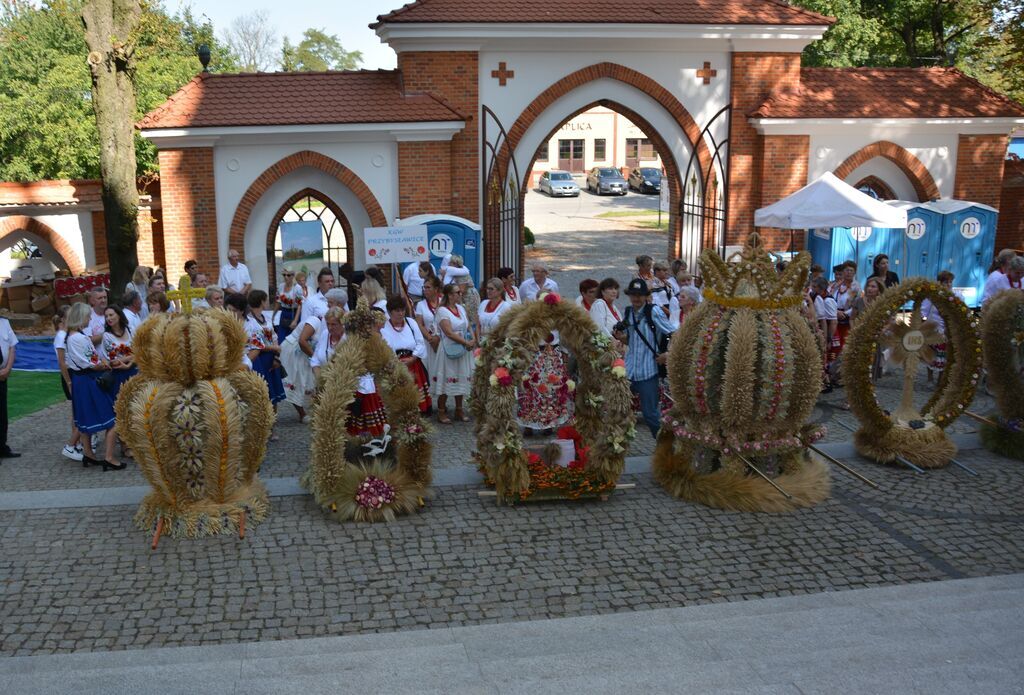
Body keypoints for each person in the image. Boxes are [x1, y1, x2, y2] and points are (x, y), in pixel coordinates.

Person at [612, 278, 675, 438]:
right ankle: (615, 447)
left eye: (640, 295)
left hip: (648, 372)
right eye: (633, 294)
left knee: (650, 415)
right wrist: (621, 338)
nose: (636, 298)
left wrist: (668, 354)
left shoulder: (654, 311)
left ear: (646, 296)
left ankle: (665, 448)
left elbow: (674, 333)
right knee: (618, 411)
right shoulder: (628, 312)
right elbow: (632, 340)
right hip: (630, 370)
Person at [64, 303, 122, 470]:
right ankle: (109, 457)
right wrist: (106, 364)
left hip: (80, 381)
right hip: (89, 380)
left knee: (84, 418)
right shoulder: (80, 338)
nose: (90, 318)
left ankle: (88, 453)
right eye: (88, 315)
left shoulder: (72, 336)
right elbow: (92, 363)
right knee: (112, 419)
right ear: (81, 317)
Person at [517, 292, 573, 436]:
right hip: (536, 357)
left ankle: (548, 422)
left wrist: (564, 357)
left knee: (551, 389)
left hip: (552, 357)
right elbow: (525, 336)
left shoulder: (558, 319)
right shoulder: (533, 318)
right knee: (531, 388)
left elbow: (563, 338)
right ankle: (529, 423)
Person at [432, 284, 476, 424]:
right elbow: (448, 332)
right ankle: (441, 412)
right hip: (449, 350)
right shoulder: (442, 311)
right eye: (457, 292)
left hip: (463, 348)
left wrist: (473, 338)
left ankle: (459, 409)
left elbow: (468, 325)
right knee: (447, 379)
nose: (460, 294)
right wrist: (465, 342)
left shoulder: (461, 308)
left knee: (460, 378)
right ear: (450, 295)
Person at [245, 291, 286, 440]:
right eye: (266, 300)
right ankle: (262, 428)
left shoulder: (265, 318)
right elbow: (254, 345)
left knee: (273, 395)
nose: (267, 302)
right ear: (262, 301)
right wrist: (273, 348)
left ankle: (272, 427)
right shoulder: (249, 321)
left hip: (270, 359)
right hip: (259, 359)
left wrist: (276, 356)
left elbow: (274, 336)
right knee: (264, 393)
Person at [381, 295, 431, 414]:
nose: (400, 313)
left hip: (413, 362)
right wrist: (397, 362)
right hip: (395, 364)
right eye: (397, 310)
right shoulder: (384, 327)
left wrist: (414, 357)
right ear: (389, 312)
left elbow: (420, 342)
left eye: (402, 310)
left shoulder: (411, 322)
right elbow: (386, 347)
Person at [53, 307, 83, 461]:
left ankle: (77, 442)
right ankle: (73, 443)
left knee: (77, 411)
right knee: (77, 411)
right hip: (69, 375)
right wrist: (69, 382)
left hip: (74, 374)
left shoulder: (69, 334)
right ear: (63, 319)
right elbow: (62, 362)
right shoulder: (61, 336)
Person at [101, 305, 136, 401]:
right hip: (119, 376)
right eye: (106, 316)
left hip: (135, 372)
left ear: (119, 315)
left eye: (111, 315)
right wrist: (132, 357)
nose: (108, 318)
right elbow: (113, 362)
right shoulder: (107, 336)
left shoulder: (131, 330)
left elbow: (140, 351)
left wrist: (129, 365)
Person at [922, 270, 954, 377]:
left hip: (947, 329)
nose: (949, 285)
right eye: (946, 282)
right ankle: (930, 377)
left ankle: (941, 379)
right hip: (933, 328)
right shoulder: (932, 296)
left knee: (944, 354)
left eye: (950, 282)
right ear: (940, 283)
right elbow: (923, 312)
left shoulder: (954, 297)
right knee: (931, 352)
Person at [811, 276, 839, 392]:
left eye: (814, 287)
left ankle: (827, 382)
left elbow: (833, 321)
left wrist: (829, 339)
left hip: (828, 332)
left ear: (821, 288)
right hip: (824, 331)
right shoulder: (820, 298)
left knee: (826, 357)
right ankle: (825, 381)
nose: (812, 289)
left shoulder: (828, 300)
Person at [415, 275, 443, 376]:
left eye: (428, 287)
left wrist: (438, 337)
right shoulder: (420, 305)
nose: (425, 290)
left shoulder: (443, 301)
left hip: (443, 341)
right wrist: (430, 338)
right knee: (430, 371)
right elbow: (419, 324)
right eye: (424, 287)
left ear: (436, 289)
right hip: (428, 342)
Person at [831, 260, 861, 353]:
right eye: (846, 270)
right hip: (834, 316)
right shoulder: (836, 285)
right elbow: (830, 299)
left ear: (855, 272)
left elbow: (857, 305)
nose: (848, 273)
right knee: (834, 344)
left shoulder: (856, 287)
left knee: (845, 344)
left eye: (851, 270)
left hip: (848, 317)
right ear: (843, 272)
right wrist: (835, 311)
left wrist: (845, 313)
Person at [0, 310, 17, 460]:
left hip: (3, 374)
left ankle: (2, 446)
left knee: (2, 413)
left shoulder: (4, 323)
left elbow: (12, 346)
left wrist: (7, 368)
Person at [275, 269, 304, 344]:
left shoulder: (297, 288)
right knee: (281, 338)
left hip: (293, 313)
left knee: (291, 340)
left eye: (288, 275)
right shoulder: (281, 286)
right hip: (284, 312)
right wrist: (273, 315)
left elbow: (299, 305)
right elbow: (278, 301)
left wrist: (295, 320)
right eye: (284, 275)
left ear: (293, 276)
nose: (286, 277)